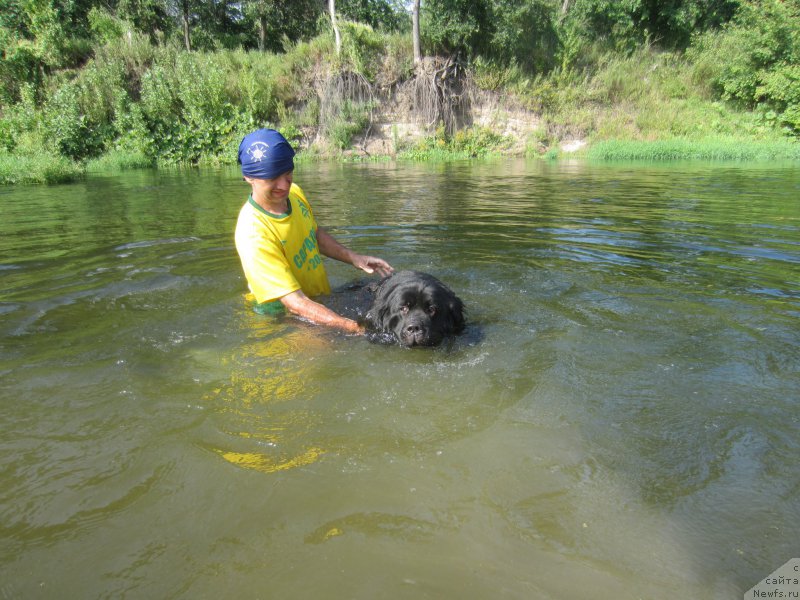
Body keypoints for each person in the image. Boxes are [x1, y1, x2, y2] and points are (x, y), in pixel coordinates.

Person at [234, 128, 393, 334]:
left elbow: (314, 234)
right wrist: (353, 327)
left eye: (287, 173)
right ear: (249, 177)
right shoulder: (253, 232)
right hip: (282, 318)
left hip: (316, 300)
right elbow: (295, 303)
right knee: (329, 351)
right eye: (272, 177)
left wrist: (355, 258)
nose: (283, 185)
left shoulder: (294, 193)